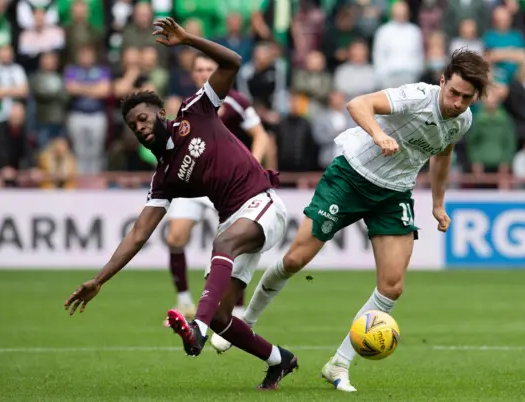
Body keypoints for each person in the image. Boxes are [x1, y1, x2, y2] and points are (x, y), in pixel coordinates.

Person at [215, 48, 491, 392]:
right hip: (351, 177)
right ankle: (246, 321)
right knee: (295, 259)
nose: (457, 102)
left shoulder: (462, 120)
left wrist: (438, 203)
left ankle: (339, 364)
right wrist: (379, 134)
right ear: (442, 81)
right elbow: (357, 104)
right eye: (453, 92)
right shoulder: (417, 96)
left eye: (467, 98)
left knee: (393, 286)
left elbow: (443, 155)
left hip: (394, 194)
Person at [63, 18, 297, 390]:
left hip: (263, 204)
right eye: (132, 126)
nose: (139, 128)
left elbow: (233, 62)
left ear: (159, 113)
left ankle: (197, 326)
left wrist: (188, 40)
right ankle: (279, 359)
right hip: (234, 222)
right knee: (223, 315)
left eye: (142, 118)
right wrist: (99, 280)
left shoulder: (195, 111)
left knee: (221, 246)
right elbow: (139, 233)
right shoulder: (164, 176)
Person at [164, 52, 270, 332]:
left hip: (230, 184)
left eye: (208, 68)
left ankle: (235, 309)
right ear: (193, 74)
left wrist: (253, 165)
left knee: (235, 243)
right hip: (196, 185)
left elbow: (261, 135)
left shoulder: (236, 101)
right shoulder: (189, 106)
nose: (203, 73)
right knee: (175, 237)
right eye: (198, 69)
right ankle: (185, 302)